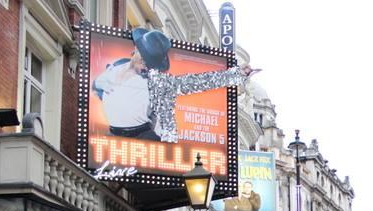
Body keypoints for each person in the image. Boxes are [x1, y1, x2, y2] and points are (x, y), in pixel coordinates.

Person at [92, 27, 257, 144]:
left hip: (141, 139)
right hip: (111, 136)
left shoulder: (157, 82)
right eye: (145, 59)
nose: (146, 65)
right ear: (136, 50)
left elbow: (197, 82)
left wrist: (236, 74)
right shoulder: (115, 66)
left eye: (151, 63)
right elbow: (97, 86)